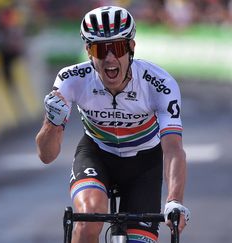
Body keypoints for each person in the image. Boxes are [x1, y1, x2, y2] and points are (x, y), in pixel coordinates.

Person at [35, 6, 190, 243]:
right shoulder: (71, 80)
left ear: (131, 48)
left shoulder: (159, 83)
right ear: (88, 51)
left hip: (144, 164)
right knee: (88, 220)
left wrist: (174, 201)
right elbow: (46, 156)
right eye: (100, 49)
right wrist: (51, 123)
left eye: (117, 48)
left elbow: (172, 148)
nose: (109, 58)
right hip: (97, 155)